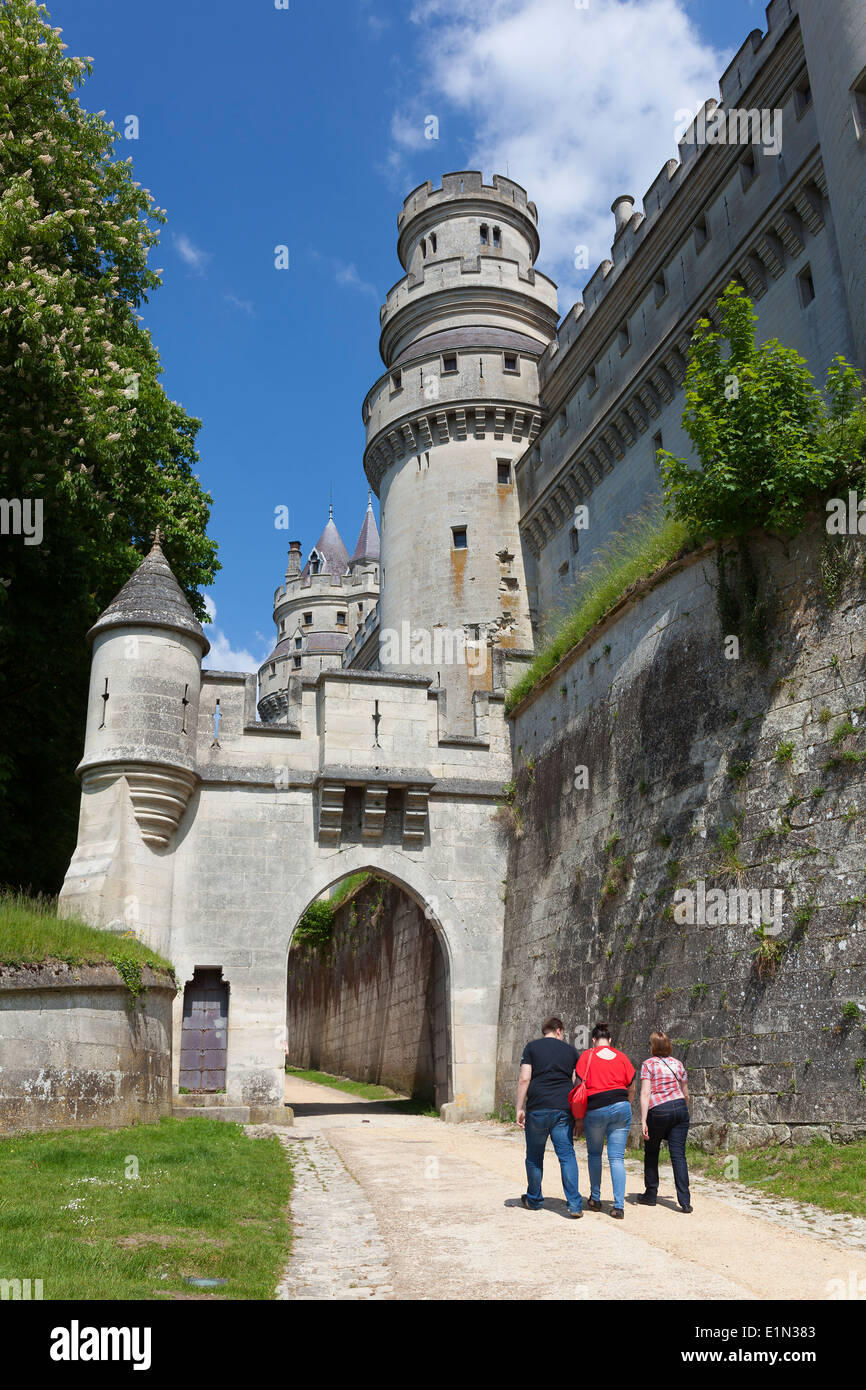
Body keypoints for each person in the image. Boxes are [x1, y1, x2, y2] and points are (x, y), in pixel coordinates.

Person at [516, 1015, 583, 1218]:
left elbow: (524, 1078)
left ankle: (534, 1200)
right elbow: (576, 1083)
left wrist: (519, 1107)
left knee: (534, 1157)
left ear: (545, 1031)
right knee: (566, 1155)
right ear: (559, 1030)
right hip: (563, 1109)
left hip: (537, 1108)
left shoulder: (531, 1048)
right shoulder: (571, 1051)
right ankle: (574, 1205)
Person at [575, 1021, 635, 1219]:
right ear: (610, 1040)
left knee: (594, 1154)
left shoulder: (587, 1055)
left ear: (593, 1040)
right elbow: (631, 1085)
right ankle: (618, 1206)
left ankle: (595, 1198)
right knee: (617, 1158)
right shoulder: (622, 1057)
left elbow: (577, 1084)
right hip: (621, 1105)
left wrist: (578, 1117)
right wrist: (627, 1104)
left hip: (596, 1107)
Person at [639, 1030, 692, 1212]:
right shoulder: (678, 1064)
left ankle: (651, 1193)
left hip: (659, 1110)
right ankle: (685, 1201)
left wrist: (644, 1120)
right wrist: (682, 1110)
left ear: (653, 1046)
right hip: (680, 1108)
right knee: (678, 1155)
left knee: (652, 1151)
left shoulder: (648, 1064)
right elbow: (686, 1093)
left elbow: (646, 1093)